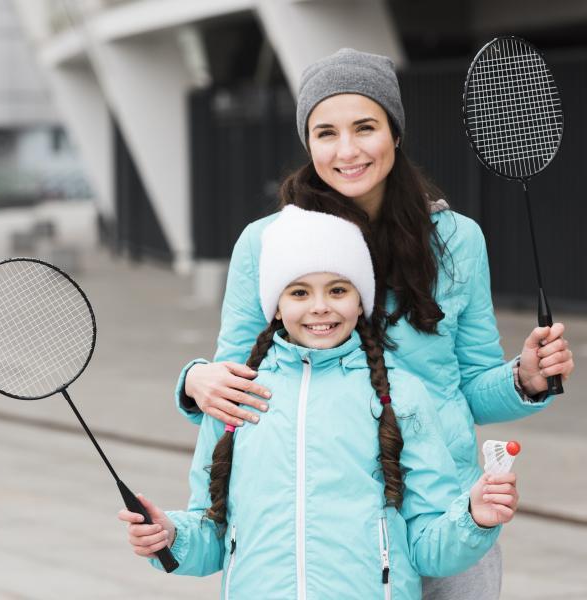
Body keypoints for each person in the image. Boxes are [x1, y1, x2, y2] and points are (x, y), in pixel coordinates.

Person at [176, 48, 574, 599]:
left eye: (365, 127)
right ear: (307, 142)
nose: (347, 151)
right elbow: (236, 382)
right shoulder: (266, 242)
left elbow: (470, 391)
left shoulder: (457, 240)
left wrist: (526, 378)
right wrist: (196, 380)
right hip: (334, 529)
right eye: (325, 133)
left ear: (395, 131)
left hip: (448, 509)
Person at [119, 206, 519, 599]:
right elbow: (211, 536)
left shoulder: (401, 396)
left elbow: (428, 546)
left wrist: (473, 518)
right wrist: (169, 536)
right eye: (299, 292)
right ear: (275, 305)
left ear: (360, 300)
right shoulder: (236, 395)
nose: (320, 306)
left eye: (338, 290)